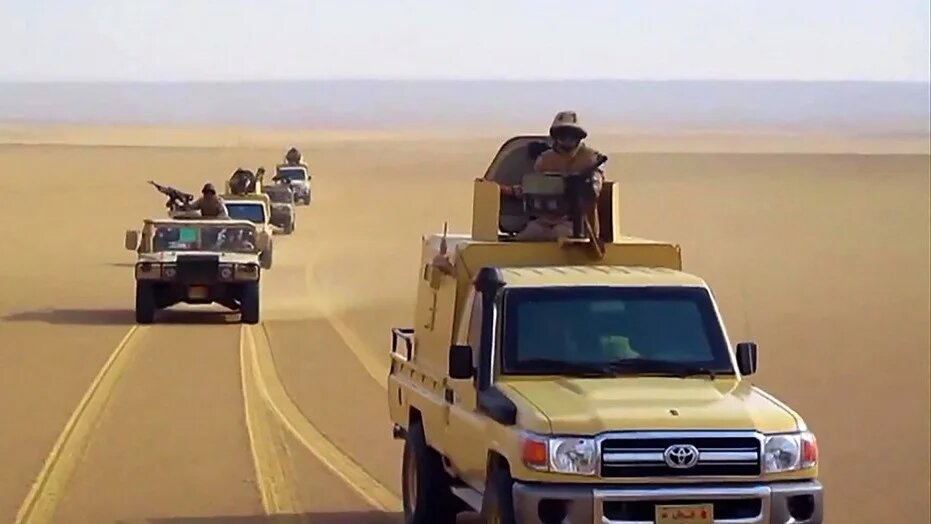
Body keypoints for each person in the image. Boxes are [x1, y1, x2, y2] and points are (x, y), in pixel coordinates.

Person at [504, 111, 606, 241]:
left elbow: (595, 188)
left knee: (562, 235)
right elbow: (534, 187)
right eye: (563, 135)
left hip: (577, 223)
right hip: (545, 221)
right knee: (524, 238)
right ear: (556, 136)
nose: (568, 139)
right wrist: (506, 190)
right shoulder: (545, 159)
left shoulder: (590, 159)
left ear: (579, 137)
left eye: (572, 135)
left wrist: (586, 185)